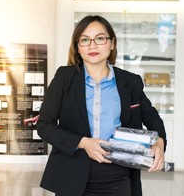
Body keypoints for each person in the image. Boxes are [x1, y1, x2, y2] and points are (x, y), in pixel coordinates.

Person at [36, 15, 167, 196]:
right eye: (84, 40)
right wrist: (83, 143)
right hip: (72, 173)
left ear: (112, 43)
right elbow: (44, 125)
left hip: (118, 174)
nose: (92, 45)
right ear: (77, 47)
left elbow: (152, 118)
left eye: (100, 38)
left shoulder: (130, 81)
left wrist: (159, 143)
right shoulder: (65, 78)